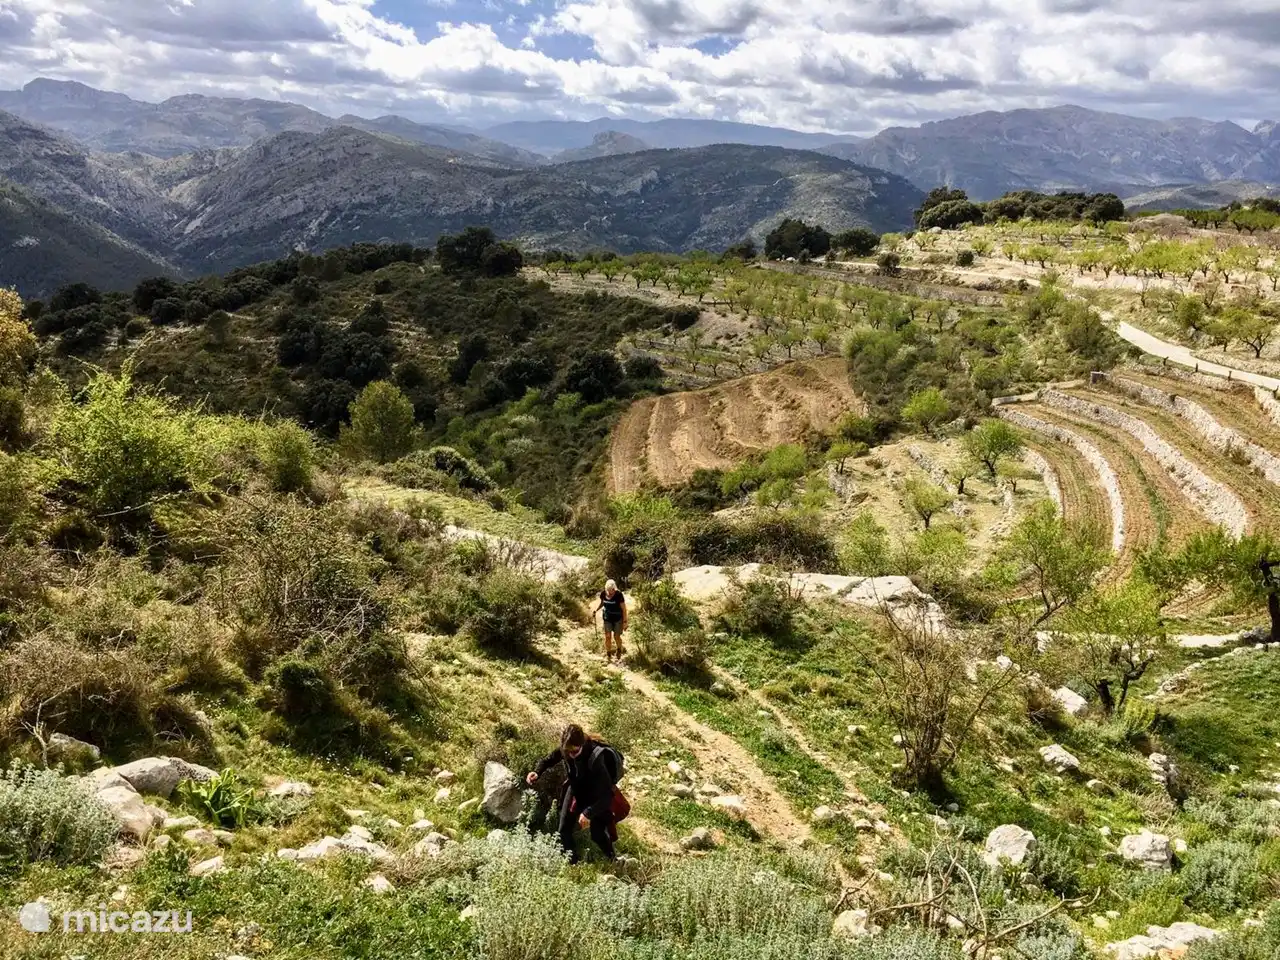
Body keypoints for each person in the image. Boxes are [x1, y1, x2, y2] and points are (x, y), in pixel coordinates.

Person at [526, 723, 622, 863]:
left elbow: (607, 796)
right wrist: (537, 771)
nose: (571, 755)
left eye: (575, 752)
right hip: (576, 790)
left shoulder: (596, 759)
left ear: (582, 744)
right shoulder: (567, 749)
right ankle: (573, 865)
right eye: (568, 752)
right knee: (563, 830)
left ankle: (613, 860)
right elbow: (549, 759)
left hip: (596, 796)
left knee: (597, 834)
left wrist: (588, 813)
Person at [593, 579, 628, 661]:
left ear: (614, 588)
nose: (610, 592)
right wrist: (596, 609)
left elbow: (624, 609)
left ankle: (619, 649)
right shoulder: (603, 593)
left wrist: (625, 622)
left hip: (617, 619)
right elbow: (602, 603)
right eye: (608, 590)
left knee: (616, 636)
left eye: (612, 590)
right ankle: (608, 653)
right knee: (607, 636)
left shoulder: (618, 595)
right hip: (607, 618)